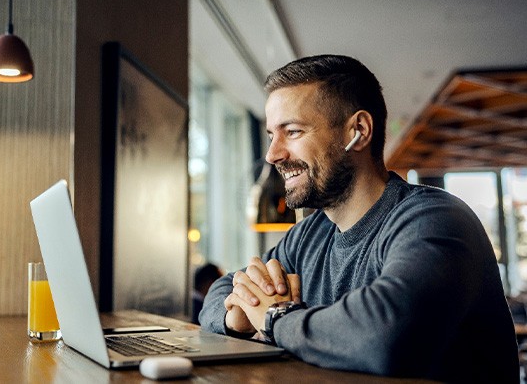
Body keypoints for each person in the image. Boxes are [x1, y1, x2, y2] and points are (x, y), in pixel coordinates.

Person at [199, 55, 519, 382]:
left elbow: (384, 335)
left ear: (359, 131)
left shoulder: (436, 220)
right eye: (271, 135)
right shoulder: (307, 236)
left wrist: (272, 317)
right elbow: (222, 290)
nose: (273, 154)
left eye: (292, 131)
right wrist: (236, 317)